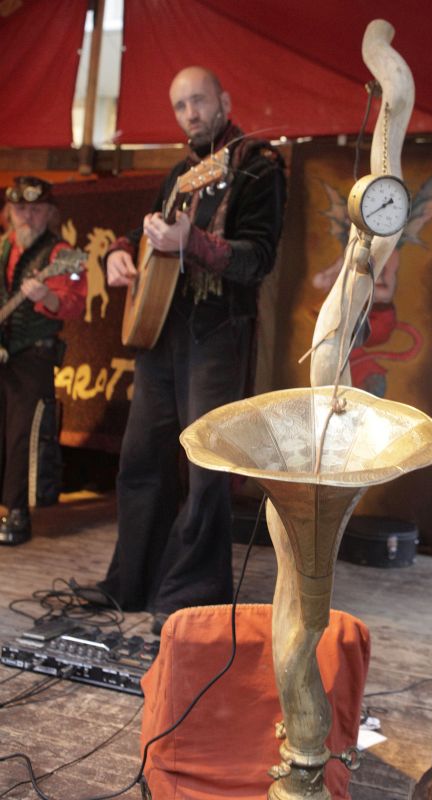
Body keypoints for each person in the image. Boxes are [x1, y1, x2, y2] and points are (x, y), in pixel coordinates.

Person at [98, 66, 286, 634]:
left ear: (224, 99)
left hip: (217, 332)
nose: (190, 114)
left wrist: (194, 242)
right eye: (180, 106)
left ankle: (189, 594)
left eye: (198, 101)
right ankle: (130, 584)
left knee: (207, 467)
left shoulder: (259, 165)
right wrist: (118, 253)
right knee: (140, 460)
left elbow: (259, 259)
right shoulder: (181, 173)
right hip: (162, 330)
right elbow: (146, 233)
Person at [0, 176, 87, 545]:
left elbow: (74, 303)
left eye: (36, 209)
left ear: (49, 212)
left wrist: (45, 297)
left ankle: (17, 512)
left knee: (24, 433)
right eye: (21, 209)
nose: (27, 216)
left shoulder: (60, 254)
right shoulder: (3, 247)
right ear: (9, 212)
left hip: (34, 354)